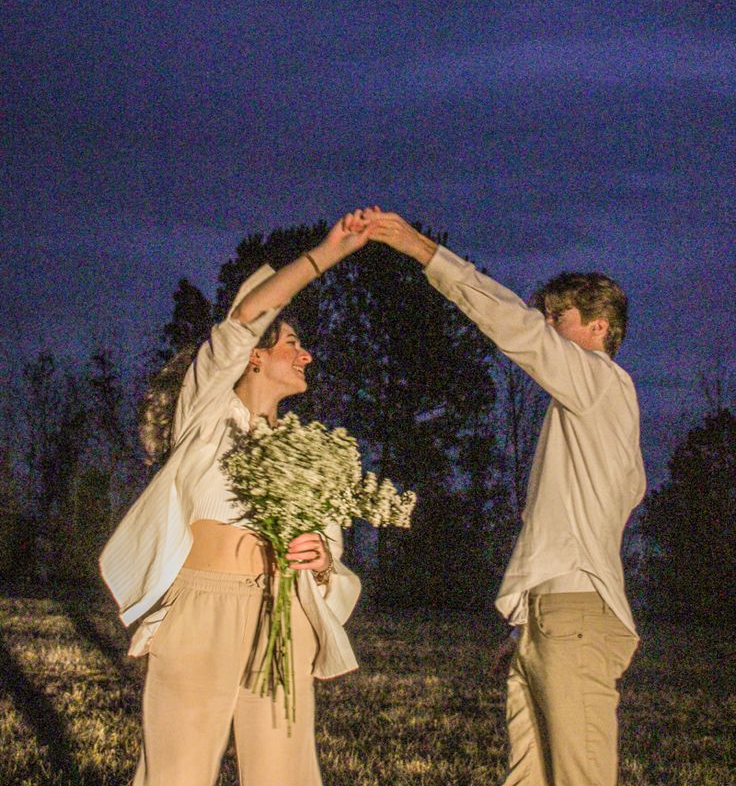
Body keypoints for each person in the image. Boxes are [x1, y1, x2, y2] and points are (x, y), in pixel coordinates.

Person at [360, 208, 646, 786]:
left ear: (598, 327)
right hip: (549, 619)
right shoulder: (583, 419)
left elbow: (513, 327)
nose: (544, 328)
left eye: (557, 318)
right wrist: (528, 629)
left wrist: (423, 251)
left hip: (576, 618)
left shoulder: (602, 383)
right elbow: (568, 522)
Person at [100, 213, 370, 786]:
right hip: (203, 607)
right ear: (254, 355)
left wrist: (321, 558)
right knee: (176, 769)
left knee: (285, 772)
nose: (307, 357)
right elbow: (245, 316)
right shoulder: (206, 415)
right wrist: (327, 253)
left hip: (283, 609)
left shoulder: (305, 447)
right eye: (293, 343)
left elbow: (330, 548)